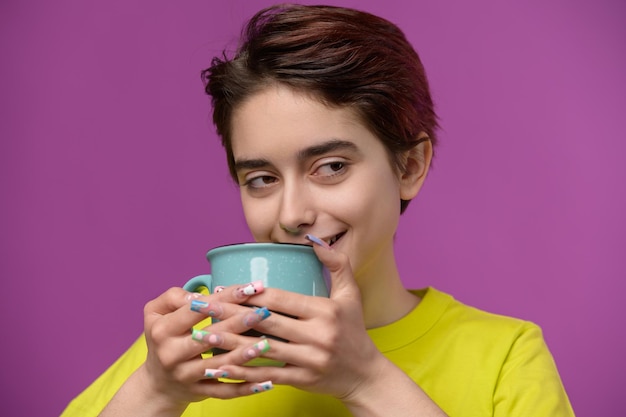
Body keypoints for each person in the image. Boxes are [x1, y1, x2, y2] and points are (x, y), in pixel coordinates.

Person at [61, 4, 574, 416]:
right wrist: (154, 392)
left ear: (410, 166)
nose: (292, 213)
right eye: (261, 179)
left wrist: (367, 381)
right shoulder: (183, 356)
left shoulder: (507, 356)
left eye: (330, 167)